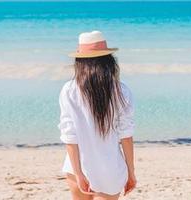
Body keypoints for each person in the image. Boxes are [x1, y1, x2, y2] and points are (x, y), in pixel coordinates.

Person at [59, 31, 136, 200]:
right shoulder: (121, 91)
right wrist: (131, 172)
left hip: (77, 165)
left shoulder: (69, 90)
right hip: (110, 170)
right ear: (108, 61)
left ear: (79, 61)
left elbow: (69, 135)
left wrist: (78, 173)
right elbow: (126, 135)